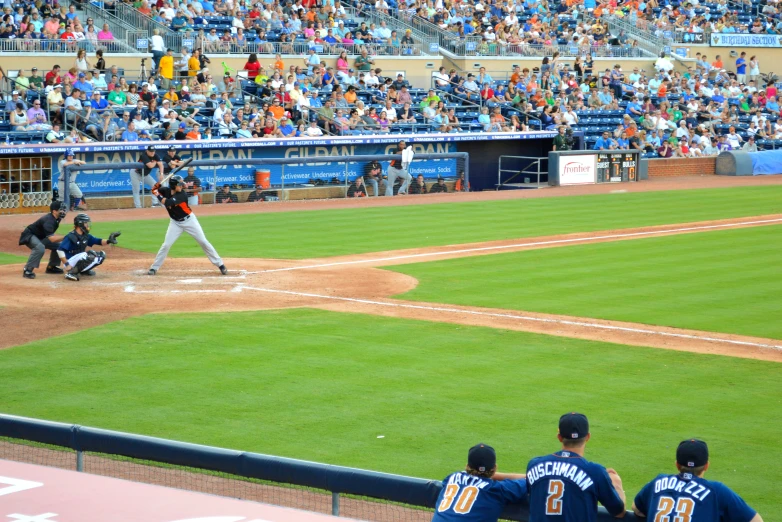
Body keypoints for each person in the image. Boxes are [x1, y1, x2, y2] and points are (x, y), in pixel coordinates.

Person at [526, 413, 626, 522]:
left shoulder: (534, 465)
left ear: (559, 437)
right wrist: (617, 484)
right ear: (588, 437)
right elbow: (619, 512)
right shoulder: (595, 472)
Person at [632, 439, 763, 522]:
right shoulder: (717, 491)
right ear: (706, 465)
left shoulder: (658, 482)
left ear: (677, 464)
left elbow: (636, 509)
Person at [147, 175, 227, 276]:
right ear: (173, 185)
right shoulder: (166, 191)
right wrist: (156, 187)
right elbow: (156, 190)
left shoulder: (182, 195)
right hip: (175, 223)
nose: (182, 186)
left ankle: (220, 264)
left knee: (203, 241)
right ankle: (154, 267)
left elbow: (167, 203)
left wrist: (156, 193)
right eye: (179, 184)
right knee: (166, 245)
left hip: (190, 221)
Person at [432, 443, 527, 522]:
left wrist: (480, 474)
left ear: (467, 466)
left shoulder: (452, 477)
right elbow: (531, 479)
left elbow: (473, 478)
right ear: (495, 468)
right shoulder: (497, 490)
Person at [57, 214, 120, 281]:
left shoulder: (86, 236)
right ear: (80, 224)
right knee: (90, 255)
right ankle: (71, 273)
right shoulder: (71, 236)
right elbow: (59, 250)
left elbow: (98, 241)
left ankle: (83, 270)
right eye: (86, 223)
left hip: (79, 259)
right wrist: (67, 264)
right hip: (69, 261)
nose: (87, 225)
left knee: (101, 256)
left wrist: (109, 241)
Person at [18, 201, 68, 279]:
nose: (64, 211)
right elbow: (52, 239)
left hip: (40, 237)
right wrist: (66, 237)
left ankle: (52, 267)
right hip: (29, 235)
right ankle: (27, 270)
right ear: (54, 211)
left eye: (64, 210)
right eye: (61, 210)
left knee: (60, 245)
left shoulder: (57, 218)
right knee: (39, 248)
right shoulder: (49, 220)